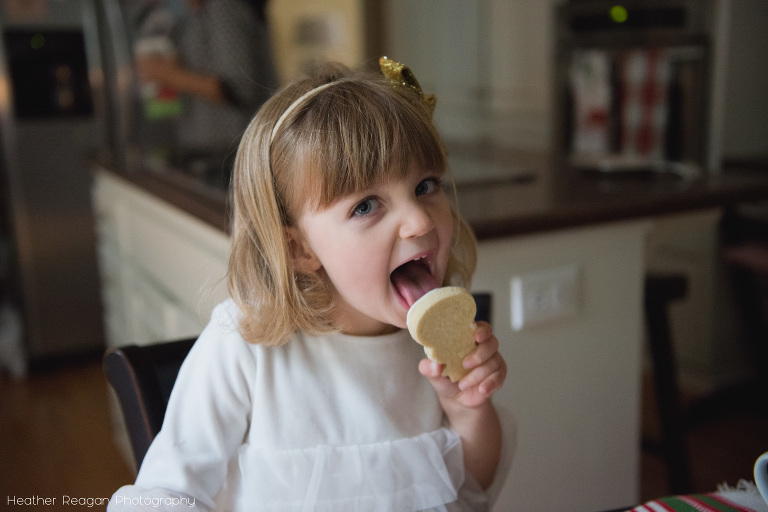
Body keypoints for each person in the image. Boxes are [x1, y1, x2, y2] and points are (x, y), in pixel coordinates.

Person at [108, 58, 511, 512]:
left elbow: (471, 491)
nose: (419, 220)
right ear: (299, 249)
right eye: (366, 206)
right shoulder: (245, 347)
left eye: (425, 185)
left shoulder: (445, 351)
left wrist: (468, 412)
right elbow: (166, 493)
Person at [135, 0, 278, 154]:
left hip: (231, 152)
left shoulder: (222, 8)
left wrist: (166, 74)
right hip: (207, 152)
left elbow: (239, 87)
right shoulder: (192, 14)